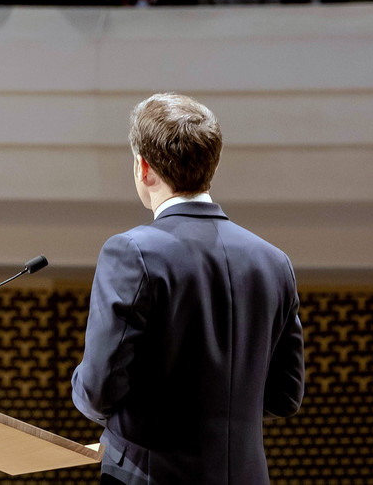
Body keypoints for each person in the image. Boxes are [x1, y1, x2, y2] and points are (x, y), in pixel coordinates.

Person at [72, 93, 304, 485]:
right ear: (210, 165)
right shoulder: (273, 262)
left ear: (143, 168)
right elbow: (285, 396)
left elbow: (98, 390)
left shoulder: (132, 252)